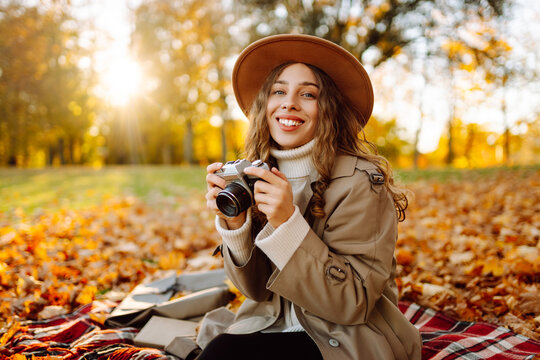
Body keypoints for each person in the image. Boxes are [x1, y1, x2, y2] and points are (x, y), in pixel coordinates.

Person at [200, 34, 422, 360]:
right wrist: (235, 225)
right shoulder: (257, 172)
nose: (289, 102)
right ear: (265, 105)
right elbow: (256, 290)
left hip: (343, 339)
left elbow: (352, 303)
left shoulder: (360, 183)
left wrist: (287, 221)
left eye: (307, 94)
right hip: (271, 325)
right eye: (279, 91)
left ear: (329, 109)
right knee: (219, 351)